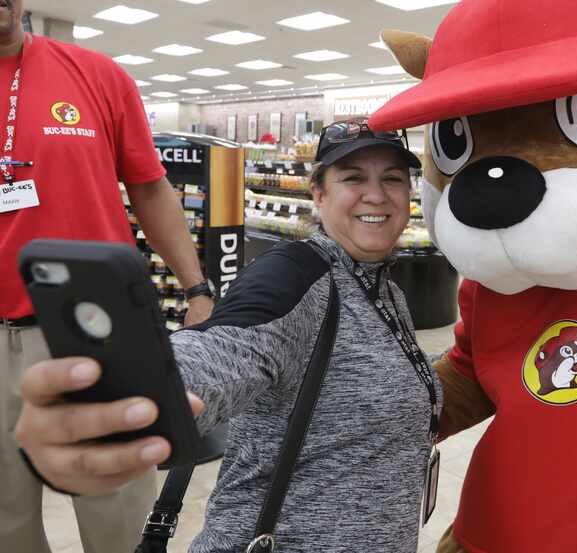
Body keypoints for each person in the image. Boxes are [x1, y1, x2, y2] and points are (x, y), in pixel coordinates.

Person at [15, 118, 443, 553]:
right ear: (319, 193)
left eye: (392, 179)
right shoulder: (294, 275)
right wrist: (119, 399)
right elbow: (222, 349)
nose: (376, 194)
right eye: (353, 178)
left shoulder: (383, 286)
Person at [0, 2, 215, 552]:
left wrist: (196, 287)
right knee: (6, 525)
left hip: (95, 332)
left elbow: (149, 186)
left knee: (120, 515)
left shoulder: (96, 75)